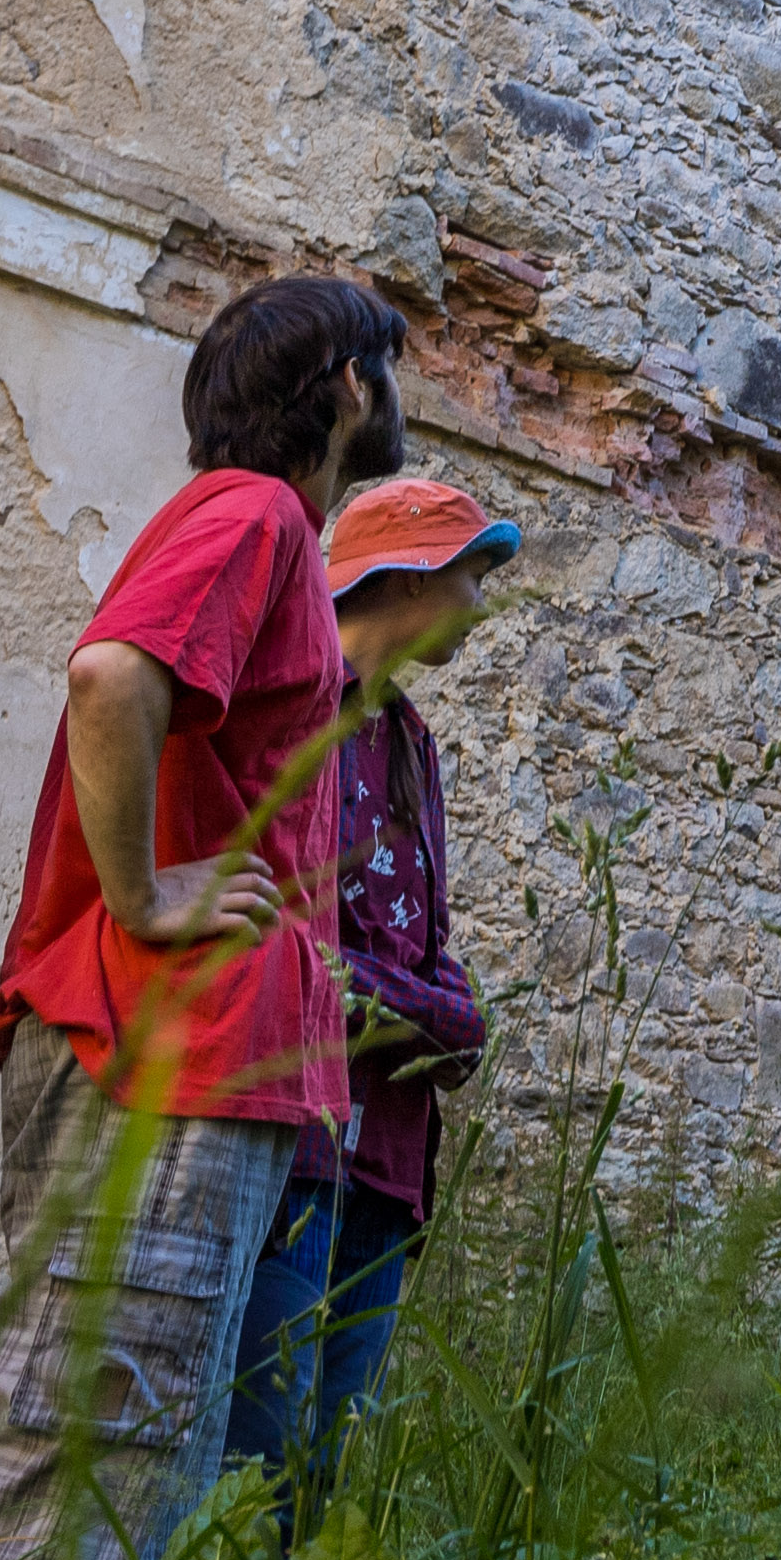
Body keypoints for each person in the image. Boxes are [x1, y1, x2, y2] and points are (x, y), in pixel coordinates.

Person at [0, 272, 415, 1560]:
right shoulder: (251, 515)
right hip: (160, 1042)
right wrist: (148, 891)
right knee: (84, 1417)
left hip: (198, 1056)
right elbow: (112, 674)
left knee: (129, 1437)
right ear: (350, 386)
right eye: (390, 371)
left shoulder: (267, 535)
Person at [221, 476, 517, 1485]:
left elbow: (435, 977)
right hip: (299, 1145)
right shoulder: (301, 699)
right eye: (473, 572)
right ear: (410, 574)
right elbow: (294, 946)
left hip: (387, 1159)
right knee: (257, 1453)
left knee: (327, 1466)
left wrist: (420, 1010)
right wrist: (421, 1012)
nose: (483, 601)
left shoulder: (411, 744)